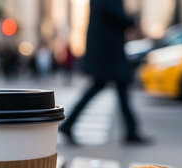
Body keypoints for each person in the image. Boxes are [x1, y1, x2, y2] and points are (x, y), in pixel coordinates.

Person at [59, 0, 149, 145]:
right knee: (101, 87)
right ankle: (68, 124)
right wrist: (132, 18)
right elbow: (116, 16)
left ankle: (131, 131)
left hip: (108, 51)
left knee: (118, 88)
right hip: (107, 52)